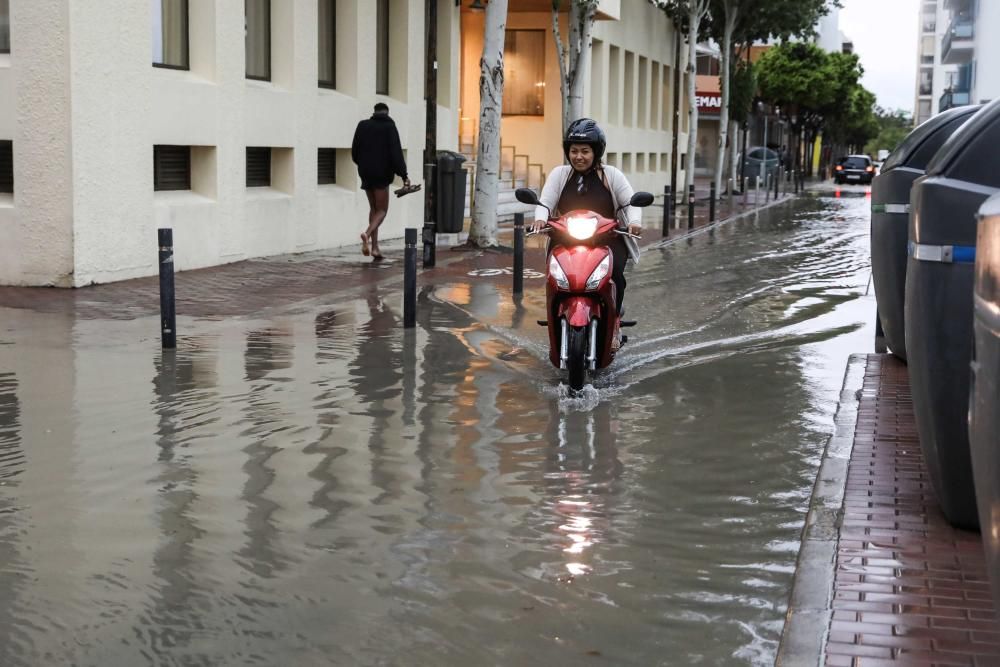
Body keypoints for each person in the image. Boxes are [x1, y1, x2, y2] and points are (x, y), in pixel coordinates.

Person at [531, 118, 642, 315]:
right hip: (565, 238)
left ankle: (614, 320)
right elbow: (545, 203)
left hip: (607, 239)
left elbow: (630, 202)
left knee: (614, 274)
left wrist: (634, 222)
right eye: (574, 151)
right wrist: (540, 218)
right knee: (555, 278)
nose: (578, 156)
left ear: (596, 152)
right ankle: (555, 316)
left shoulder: (611, 175)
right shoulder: (559, 174)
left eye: (585, 151)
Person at [351, 102, 410, 261]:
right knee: (382, 210)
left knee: (374, 208)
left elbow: (354, 151)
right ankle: (367, 234)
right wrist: (404, 175)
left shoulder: (362, 125)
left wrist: (363, 164)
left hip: (365, 171)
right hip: (381, 173)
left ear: (374, 112)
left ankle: (375, 248)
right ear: (387, 113)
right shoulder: (389, 127)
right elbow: (396, 153)